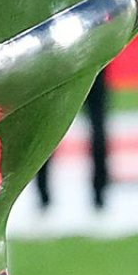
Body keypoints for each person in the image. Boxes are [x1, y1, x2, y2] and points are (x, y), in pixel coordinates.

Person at [35, 70, 110, 212]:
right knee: (97, 125)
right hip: (90, 65)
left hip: (60, 66)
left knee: (46, 126)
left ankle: (42, 194)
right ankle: (100, 194)